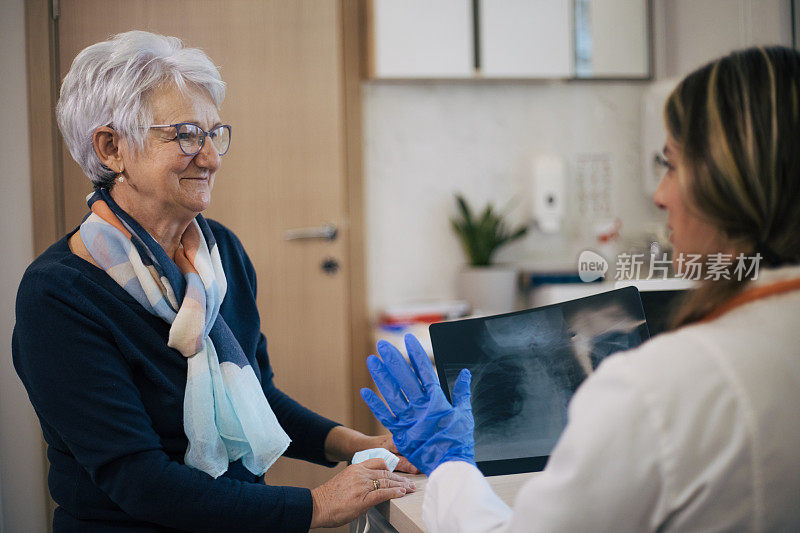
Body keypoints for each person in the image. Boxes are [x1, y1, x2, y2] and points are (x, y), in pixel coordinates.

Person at [362, 46, 800, 532]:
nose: (659, 196)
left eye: (671, 165)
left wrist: (450, 466)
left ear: (730, 181)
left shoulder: (662, 386)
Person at [12, 30, 416, 532]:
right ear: (112, 148)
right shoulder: (59, 296)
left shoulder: (219, 253)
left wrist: (356, 444)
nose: (210, 156)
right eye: (184, 134)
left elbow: (257, 395)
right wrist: (314, 507)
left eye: (213, 133)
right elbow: (139, 480)